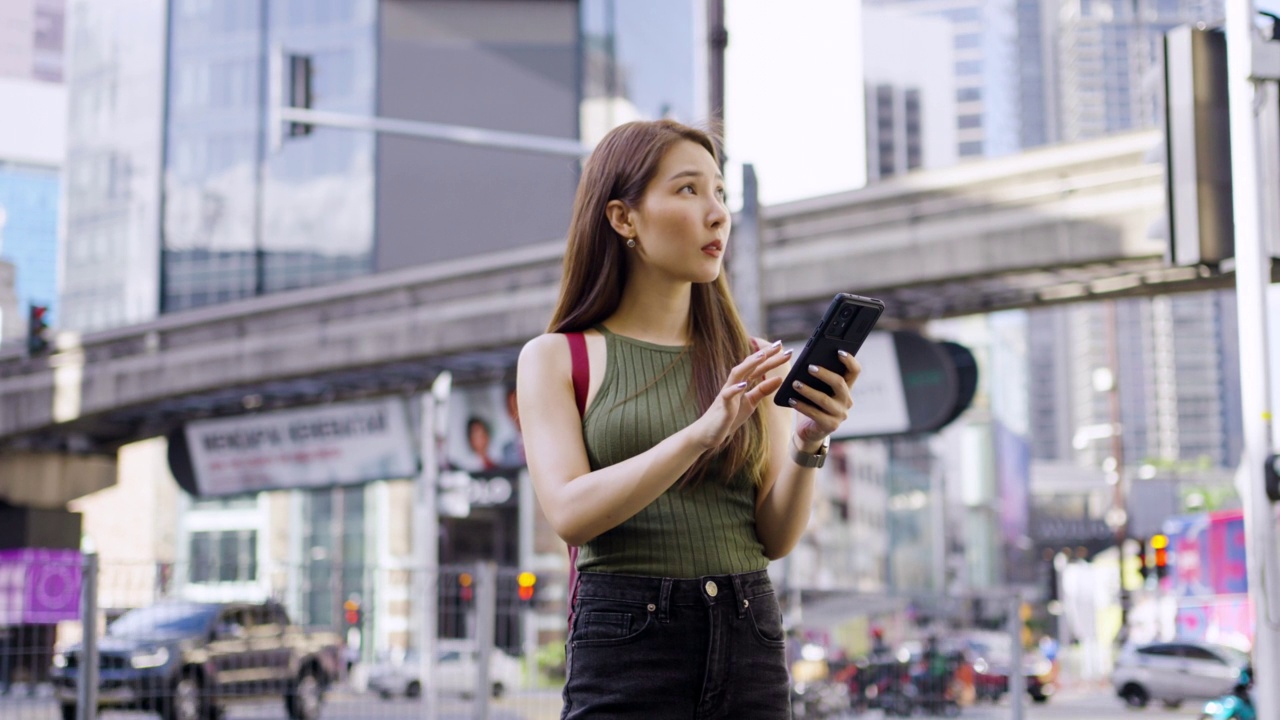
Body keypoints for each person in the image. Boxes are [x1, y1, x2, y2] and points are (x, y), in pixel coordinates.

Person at [517, 119, 862, 718]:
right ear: (623, 218)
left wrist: (810, 443)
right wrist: (702, 433)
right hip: (627, 637)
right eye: (687, 190)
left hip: (748, 625)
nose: (717, 213)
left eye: (720, 193)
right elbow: (570, 515)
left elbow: (774, 539)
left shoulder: (751, 361)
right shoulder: (557, 357)